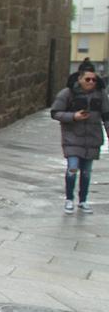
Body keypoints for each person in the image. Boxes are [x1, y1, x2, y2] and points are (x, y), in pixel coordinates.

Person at [52, 65, 109, 214]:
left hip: (92, 138)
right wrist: (73, 117)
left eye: (94, 80)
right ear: (80, 79)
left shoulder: (101, 94)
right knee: (72, 168)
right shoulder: (67, 93)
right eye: (87, 79)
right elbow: (56, 113)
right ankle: (69, 199)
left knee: (86, 172)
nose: (91, 82)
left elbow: (106, 116)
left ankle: (83, 200)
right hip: (72, 137)